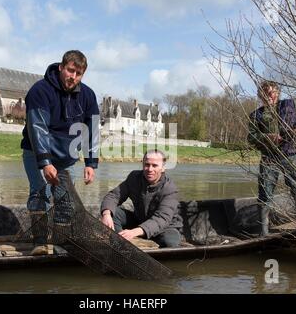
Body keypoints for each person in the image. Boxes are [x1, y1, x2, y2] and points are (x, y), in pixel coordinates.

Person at [21, 50, 100, 253]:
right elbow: (37, 128)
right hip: (37, 152)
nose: (73, 77)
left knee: (65, 200)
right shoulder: (40, 91)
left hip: (66, 158)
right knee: (40, 192)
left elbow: (92, 131)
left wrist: (91, 163)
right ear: (61, 68)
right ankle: (39, 243)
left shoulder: (88, 96)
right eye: (70, 70)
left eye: (79, 73)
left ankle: (60, 244)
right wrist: (45, 162)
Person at [248, 80, 296, 236]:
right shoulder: (255, 115)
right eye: (265, 93)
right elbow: (251, 138)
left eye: (271, 92)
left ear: (277, 93)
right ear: (260, 96)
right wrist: (266, 137)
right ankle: (263, 232)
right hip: (268, 158)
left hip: (291, 155)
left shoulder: (291, 105)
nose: (269, 95)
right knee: (265, 193)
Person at [100, 150, 183, 248]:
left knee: (170, 242)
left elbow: (162, 218)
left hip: (165, 227)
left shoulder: (170, 188)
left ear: (163, 168)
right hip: (140, 220)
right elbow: (114, 196)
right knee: (113, 213)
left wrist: (135, 232)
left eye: (154, 165)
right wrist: (106, 214)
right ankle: (120, 242)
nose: (150, 169)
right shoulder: (134, 177)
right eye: (147, 165)